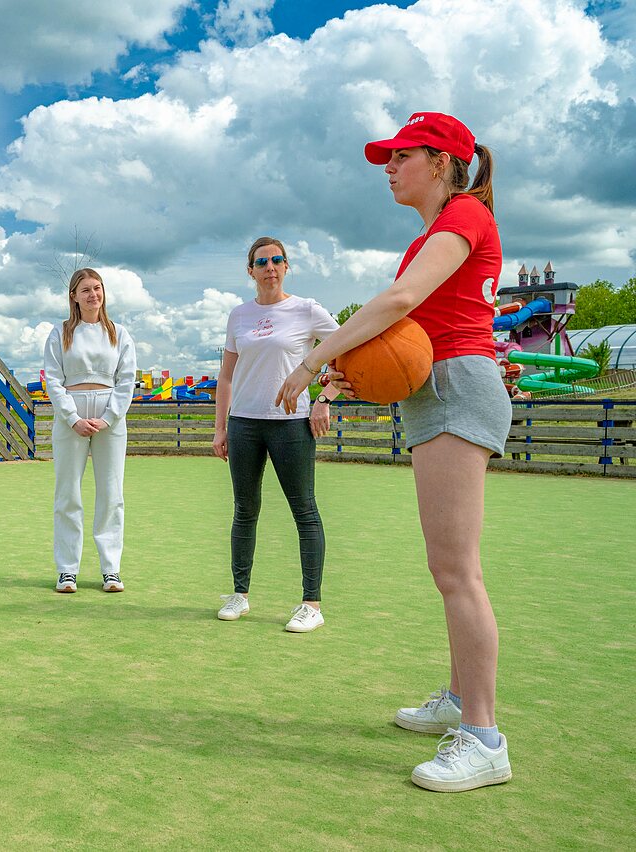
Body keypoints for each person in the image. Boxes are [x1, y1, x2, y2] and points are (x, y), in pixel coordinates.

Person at [275, 112, 512, 792]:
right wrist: (357, 372)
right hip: (436, 389)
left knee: (456, 570)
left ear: (441, 162)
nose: (389, 166)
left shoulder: (464, 214)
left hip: (458, 388)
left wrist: (317, 357)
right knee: (448, 567)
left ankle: (484, 736)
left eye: (401, 156)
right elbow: (408, 339)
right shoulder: (435, 233)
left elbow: (402, 300)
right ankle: (461, 699)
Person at [213, 238, 338, 633]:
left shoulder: (306, 310)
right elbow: (227, 375)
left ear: (287, 267)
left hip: (291, 424)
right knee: (244, 510)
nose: (270, 266)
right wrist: (221, 427)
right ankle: (239, 594)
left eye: (277, 260)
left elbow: (349, 352)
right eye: (262, 261)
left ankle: (311, 604)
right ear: (250, 271)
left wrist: (324, 398)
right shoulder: (239, 315)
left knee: (304, 510)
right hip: (245, 423)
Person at [43, 268, 136, 593]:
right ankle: (67, 570)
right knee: (68, 493)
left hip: (110, 417)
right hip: (72, 414)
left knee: (111, 494)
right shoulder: (60, 333)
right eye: (85, 290)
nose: (93, 294)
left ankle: (111, 569)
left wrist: (109, 417)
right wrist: (72, 417)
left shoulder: (118, 333)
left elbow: (126, 380)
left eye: (97, 288)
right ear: (74, 296)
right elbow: (53, 380)